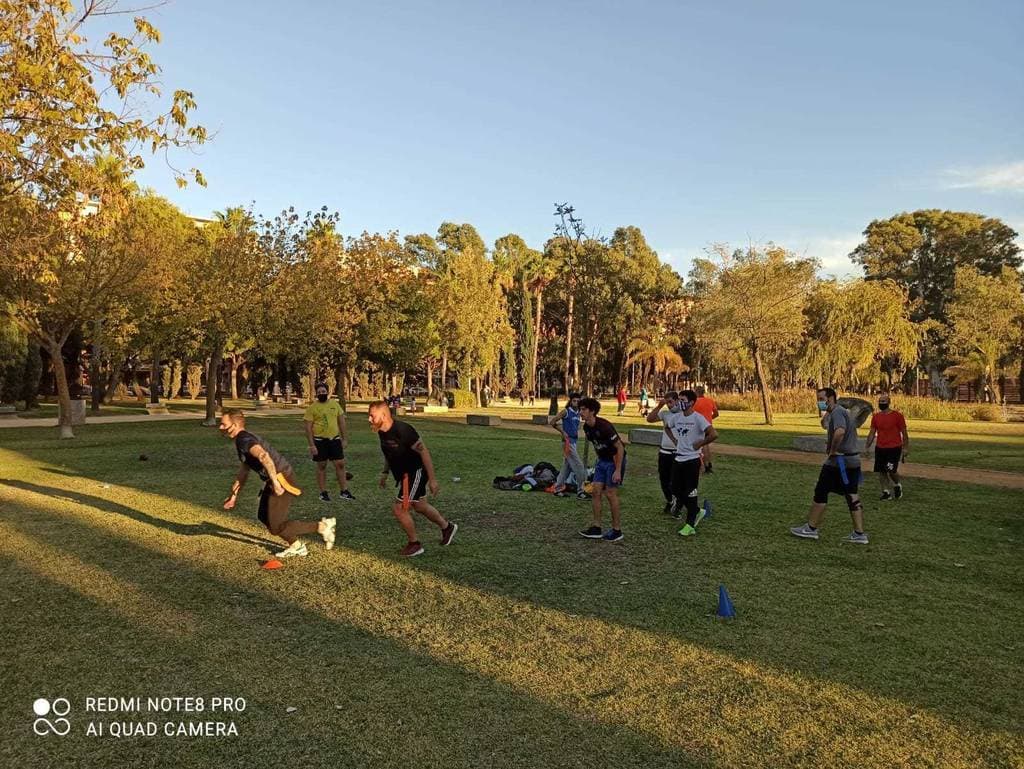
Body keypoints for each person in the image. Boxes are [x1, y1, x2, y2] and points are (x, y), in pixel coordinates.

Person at [219, 409, 335, 558]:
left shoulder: (243, 439)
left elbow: (263, 456)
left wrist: (275, 482)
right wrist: (234, 495)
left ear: (234, 425)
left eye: (223, 424)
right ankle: (297, 546)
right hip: (273, 479)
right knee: (263, 515)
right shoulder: (241, 440)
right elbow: (244, 469)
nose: (220, 427)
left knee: (276, 527)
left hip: (281, 479)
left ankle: (323, 526)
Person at [367, 401, 457, 557]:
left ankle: (415, 544)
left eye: (371, 416)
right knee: (420, 506)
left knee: (399, 508)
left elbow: (424, 452)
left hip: (415, 473)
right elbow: (390, 453)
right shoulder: (381, 430)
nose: (369, 419)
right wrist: (385, 472)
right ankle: (447, 527)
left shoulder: (403, 430)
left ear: (383, 415)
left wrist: (433, 480)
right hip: (404, 475)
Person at [790, 387, 868, 544]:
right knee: (852, 494)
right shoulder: (842, 412)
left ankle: (810, 529)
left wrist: (832, 450)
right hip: (852, 461)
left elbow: (839, 432)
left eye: (821, 398)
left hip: (838, 462)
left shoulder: (838, 413)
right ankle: (859, 533)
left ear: (831, 398)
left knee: (821, 491)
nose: (819, 402)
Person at [648, 390, 718, 536]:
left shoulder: (698, 418)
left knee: (690, 491)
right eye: (678, 399)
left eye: (682, 399)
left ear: (691, 402)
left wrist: (701, 443)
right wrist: (674, 440)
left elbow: (713, 434)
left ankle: (690, 525)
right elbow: (667, 427)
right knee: (674, 488)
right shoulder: (677, 417)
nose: (680, 402)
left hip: (692, 459)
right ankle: (698, 511)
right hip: (678, 459)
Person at [577, 397, 626, 542]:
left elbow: (620, 448)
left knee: (610, 494)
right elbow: (597, 445)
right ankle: (596, 528)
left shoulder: (604, 426)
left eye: (584, 409)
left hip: (614, 460)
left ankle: (617, 530)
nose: (581, 412)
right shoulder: (586, 427)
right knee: (595, 492)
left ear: (592, 411)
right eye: (580, 409)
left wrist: (617, 470)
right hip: (602, 461)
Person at [303, 382, 354, 502]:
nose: (322, 393)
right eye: (319, 392)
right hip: (320, 441)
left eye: (323, 391)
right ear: (316, 393)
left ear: (328, 392)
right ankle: (323, 492)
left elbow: (341, 422)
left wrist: (344, 438)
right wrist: (312, 445)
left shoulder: (335, 405)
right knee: (322, 466)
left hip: (334, 440)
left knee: (340, 464)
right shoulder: (312, 408)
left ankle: (344, 491)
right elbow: (308, 428)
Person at [864, 393, 910, 500]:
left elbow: (904, 432)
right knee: (881, 470)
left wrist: (905, 448)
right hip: (880, 448)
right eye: (880, 402)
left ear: (889, 403)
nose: (881, 403)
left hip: (894, 448)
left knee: (890, 469)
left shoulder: (897, 416)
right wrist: (867, 446)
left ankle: (897, 484)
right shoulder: (876, 417)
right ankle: (886, 492)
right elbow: (872, 432)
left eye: (883, 402)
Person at [646, 390, 683, 514]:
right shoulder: (665, 413)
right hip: (664, 451)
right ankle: (669, 501)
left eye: (671, 402)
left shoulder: (684, 413)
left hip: (678, 452)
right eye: (667, 403)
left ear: (677, 400)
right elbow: (649, 419)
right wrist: (659, 406)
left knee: (676, 480)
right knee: (664, 479)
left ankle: (677, 503)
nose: (669, 405)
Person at [548, 392, 590, 500]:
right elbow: (552, 422)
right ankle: (581, 491)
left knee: (566, 468)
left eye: (578, 401)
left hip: (574, 442)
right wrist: (562, 432)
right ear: (570, 401)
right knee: (579, 466)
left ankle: (557, 489)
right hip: (568, 442)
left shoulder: (578, 413)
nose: (576, 403)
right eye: (574, 401)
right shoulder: (566, 411)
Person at [692, 385, 720, 473]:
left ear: (696, 392)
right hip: (708, 425)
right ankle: (709, 463)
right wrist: (710, 418)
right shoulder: (710, 401)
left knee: (701, 445)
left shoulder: (694, 402)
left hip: (698, 426)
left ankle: (703, 464)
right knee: (706, 445)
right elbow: (716, 413)